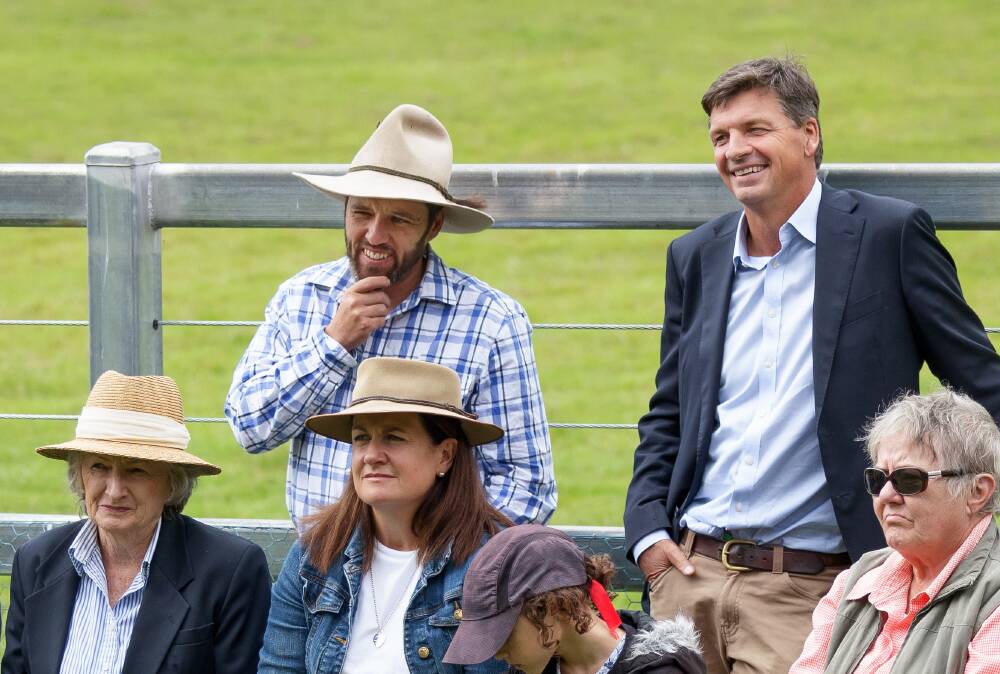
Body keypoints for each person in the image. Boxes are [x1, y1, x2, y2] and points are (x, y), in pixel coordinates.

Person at [623, 56, 1000, 674]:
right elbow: (669, 409)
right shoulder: (695, 256)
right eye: (721, 137)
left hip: (811, 592)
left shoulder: (887, 236)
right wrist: (645, 533)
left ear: (810, 133)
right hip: (686, 581)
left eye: (755, 129)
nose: (735, 150)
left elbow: (979, 379)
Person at [225, 103, 555, 527]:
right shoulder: (301, 297)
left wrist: (437, 563)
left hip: (437, 574)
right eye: (362, 212)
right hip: (318, 568)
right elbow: (250, 427)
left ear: (433, 226)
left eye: (399, 219)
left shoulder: (491, 320)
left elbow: (526, 487)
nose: (374, 235)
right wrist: (333, 343)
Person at [791, 390, 1000, 673]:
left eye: (908, 479)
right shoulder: (857, 582)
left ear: (977, 491)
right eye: (878, 479)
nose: (886, 495)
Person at [2, 371, 271, 674]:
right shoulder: (36, 562)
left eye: (137, 471)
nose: (114, 491)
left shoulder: (229, 571)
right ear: (79, 475)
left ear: (173, 483)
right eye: (99, 467)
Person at [258, 356, 513, 674]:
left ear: (445, 455)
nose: (372, 456)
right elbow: (277, 668)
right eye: (361, 438)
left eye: (394, 437)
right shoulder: (315, 556)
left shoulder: (491, 567)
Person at [443, 524, 705, 674]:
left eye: (502, 633)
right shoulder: (537, 666)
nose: (497, 653)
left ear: (551, 607)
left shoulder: (661, 671)